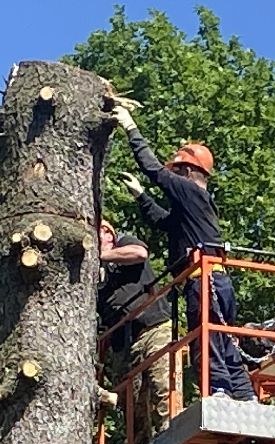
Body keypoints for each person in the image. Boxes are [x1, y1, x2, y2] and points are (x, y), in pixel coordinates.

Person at [111, 105, 256, 402]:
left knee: (207, 338)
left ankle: (220, 390)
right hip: (215, 281)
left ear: (188, 171)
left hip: (204, 282)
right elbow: (165, 223)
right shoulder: (193, 205)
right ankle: (244, 395)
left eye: (175, 171)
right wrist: (141, 197)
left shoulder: (190, 192)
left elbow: (153, 169)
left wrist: (130, 128)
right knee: (222, 338)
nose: (171, 176)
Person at [98, 220, 177, 443]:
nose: (102, 237)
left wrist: (103, 256)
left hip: (153, 325)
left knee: (162, 382)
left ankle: (170, 435)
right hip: (124, 342)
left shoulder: (124, 244)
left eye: (102, 233)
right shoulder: (93, 276)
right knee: (131, 400)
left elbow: (140, 253)